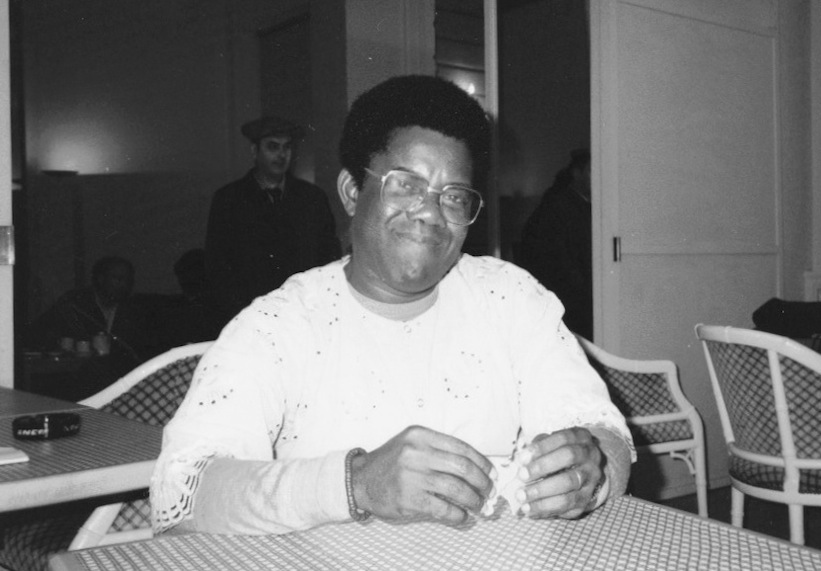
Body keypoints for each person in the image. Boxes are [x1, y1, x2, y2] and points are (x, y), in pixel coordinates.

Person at [151, 76, 633, 536]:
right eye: (406, 185)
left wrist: (590, 472)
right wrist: (355, 483)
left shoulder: (510, 298)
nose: (430, 213)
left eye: (454, 196)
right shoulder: (278, 324)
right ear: (352, 192)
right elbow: (183, 494)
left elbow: (601, 431)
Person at [204, 115, 341, 327]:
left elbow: (328, 258)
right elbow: (218, 267)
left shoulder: (312, 198)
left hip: (303, 317)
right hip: (248, 318)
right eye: (272, 147)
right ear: (254, 151)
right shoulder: (229, 200)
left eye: (287, 147)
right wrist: (243, 317)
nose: (281, 155)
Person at [28, 255, 155, 398]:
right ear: (100, 279)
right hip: (76, 381)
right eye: (118, 279)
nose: (124, 285)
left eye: (128, 280)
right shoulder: (75, 303)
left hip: (118, 384)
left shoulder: (133, 310)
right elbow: (39, 332)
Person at [518, 149, 593, 339]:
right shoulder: (558, 206)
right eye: (591, 170)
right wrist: (583, 291)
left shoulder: (584, 205)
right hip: (566, 299)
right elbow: (557, 258)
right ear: (577, 173)